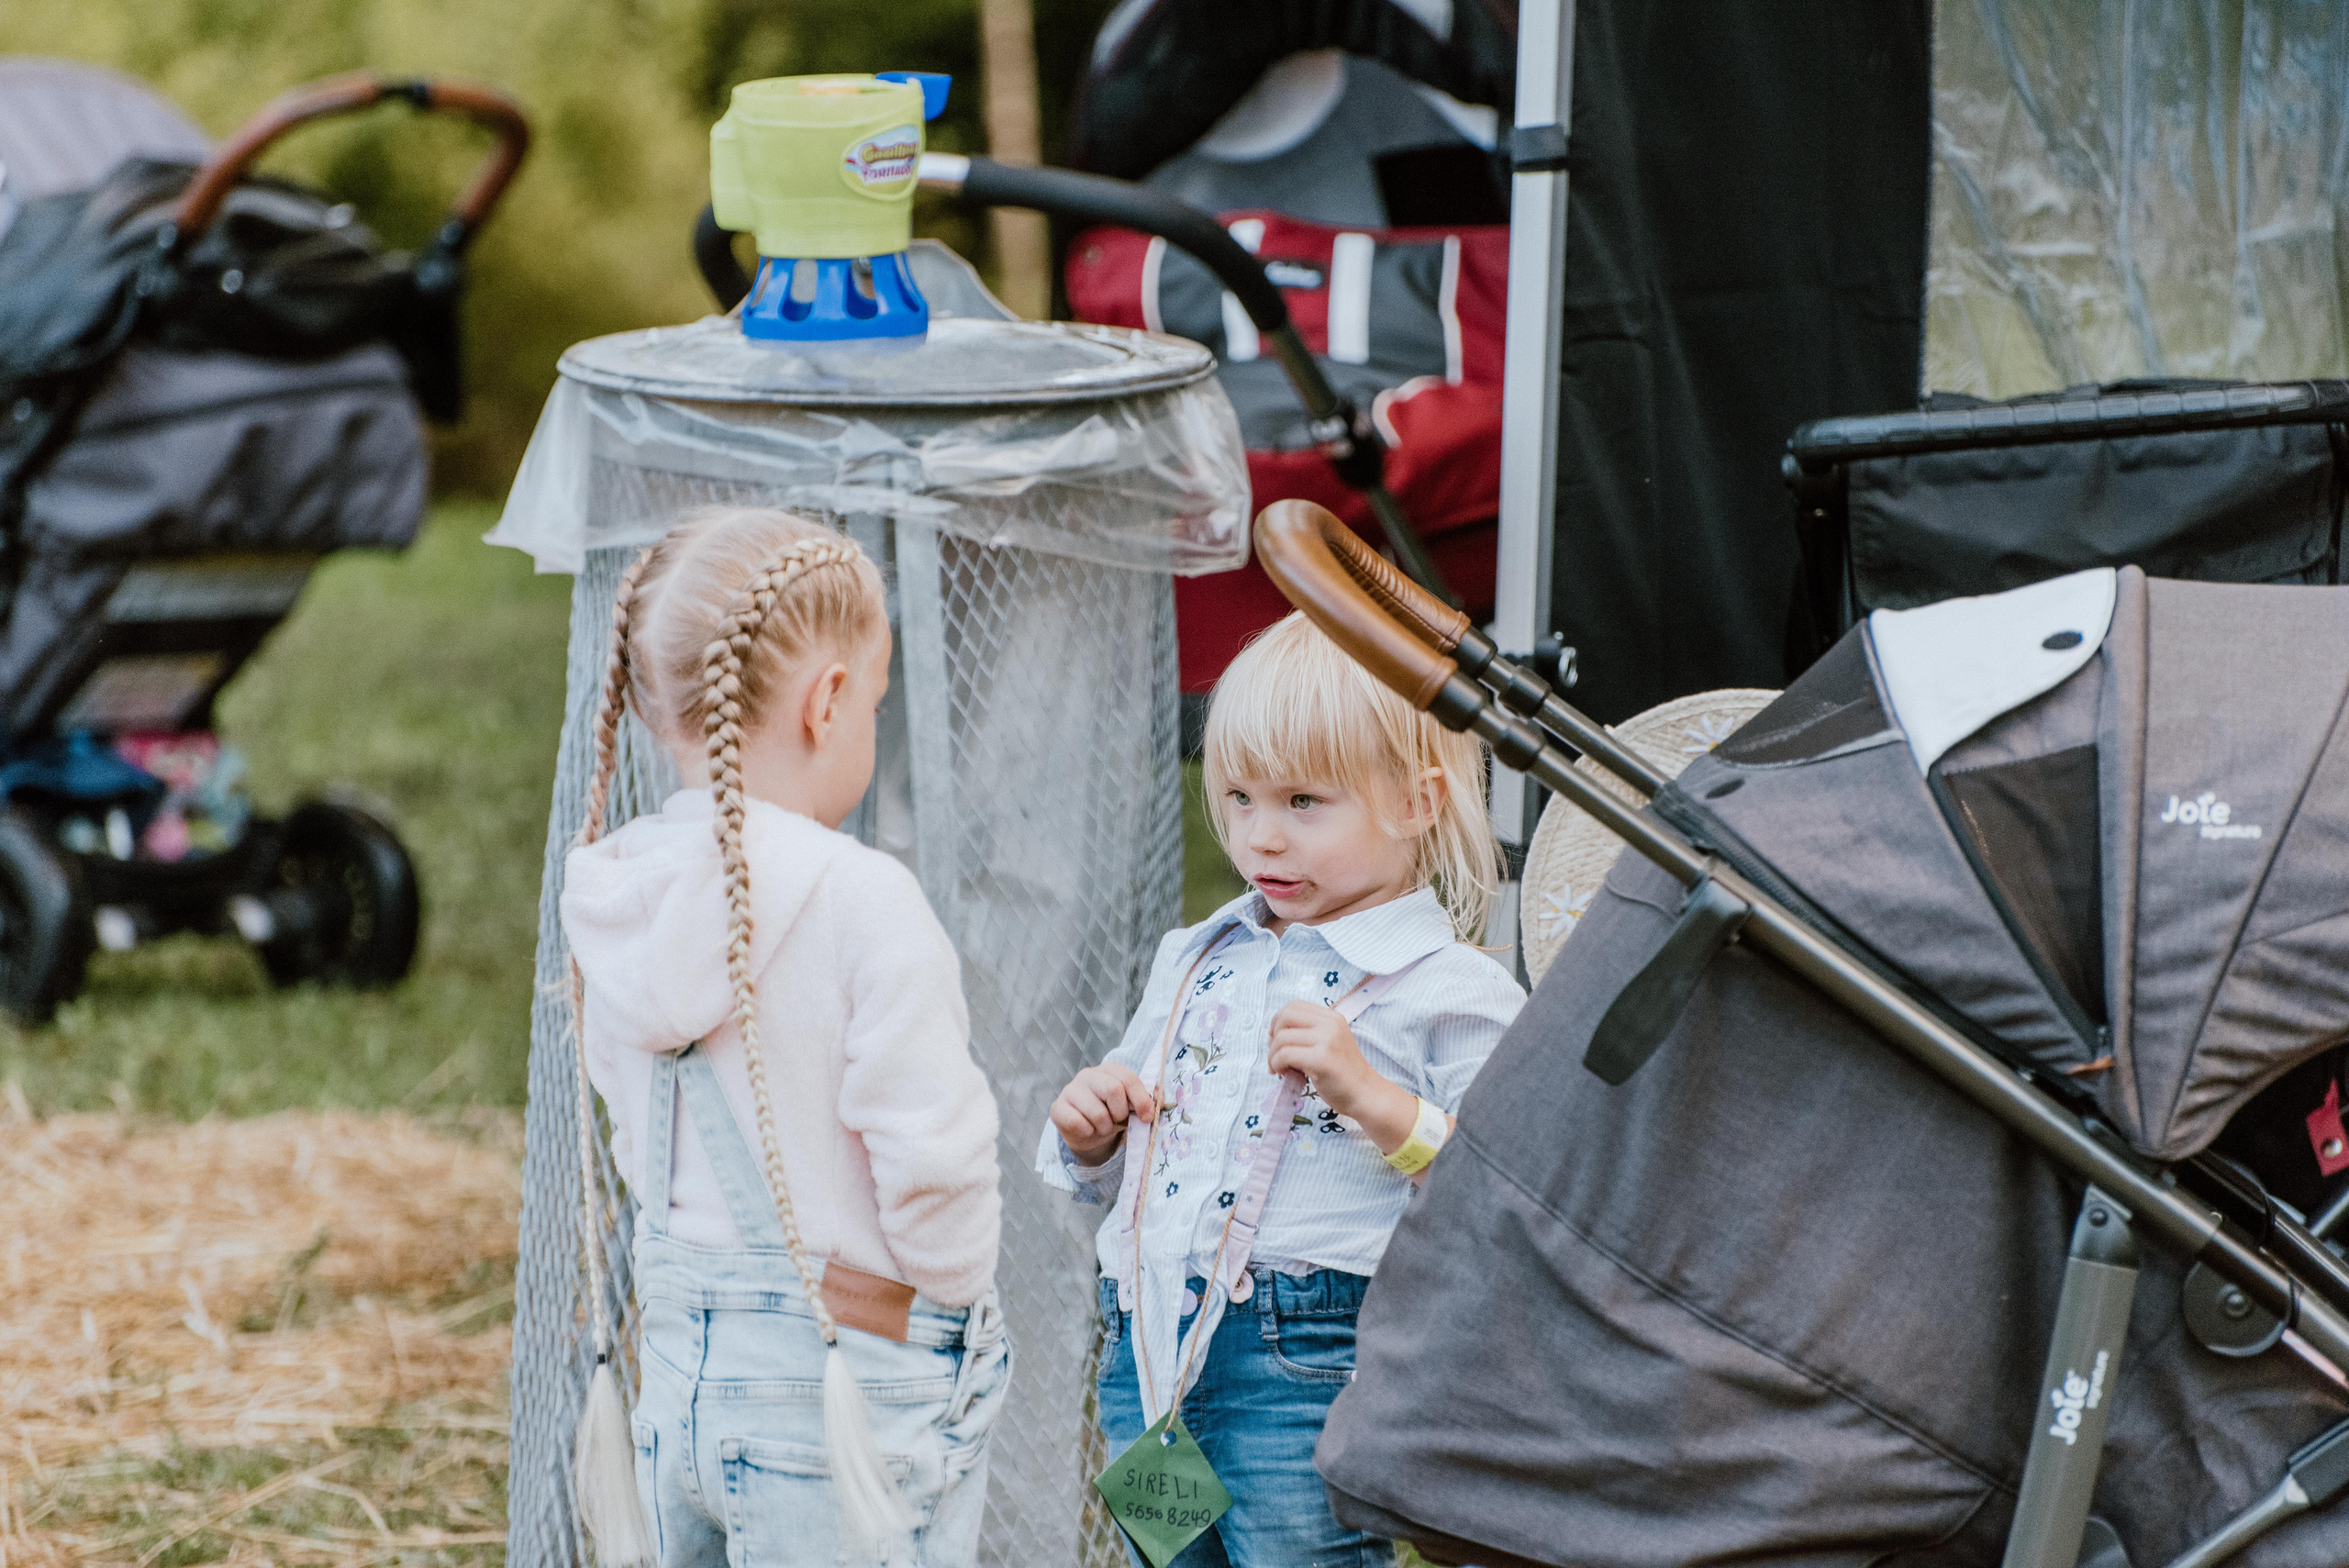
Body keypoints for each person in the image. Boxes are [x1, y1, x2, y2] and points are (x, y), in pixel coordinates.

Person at [562, 506, 1007, 1568]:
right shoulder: (863, 899)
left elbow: (635, 1137)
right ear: (829, 700)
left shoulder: (621, 895)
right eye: (876, 702)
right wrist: (947, 1304)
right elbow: (930, 1158)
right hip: (849, 1378)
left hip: (678, 1373)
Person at [1041, 610, 1525, 1567]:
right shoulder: (1197, 956)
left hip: (1304, 1355)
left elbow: (1508, 1186)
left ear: (1418, 800)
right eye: (1237, 796)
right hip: (1148, 1349)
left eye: (1305, 800)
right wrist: (1095, 1130)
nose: (1261, 835)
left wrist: (1369, 1094)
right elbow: (1137, 1144)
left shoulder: (1447, 982)